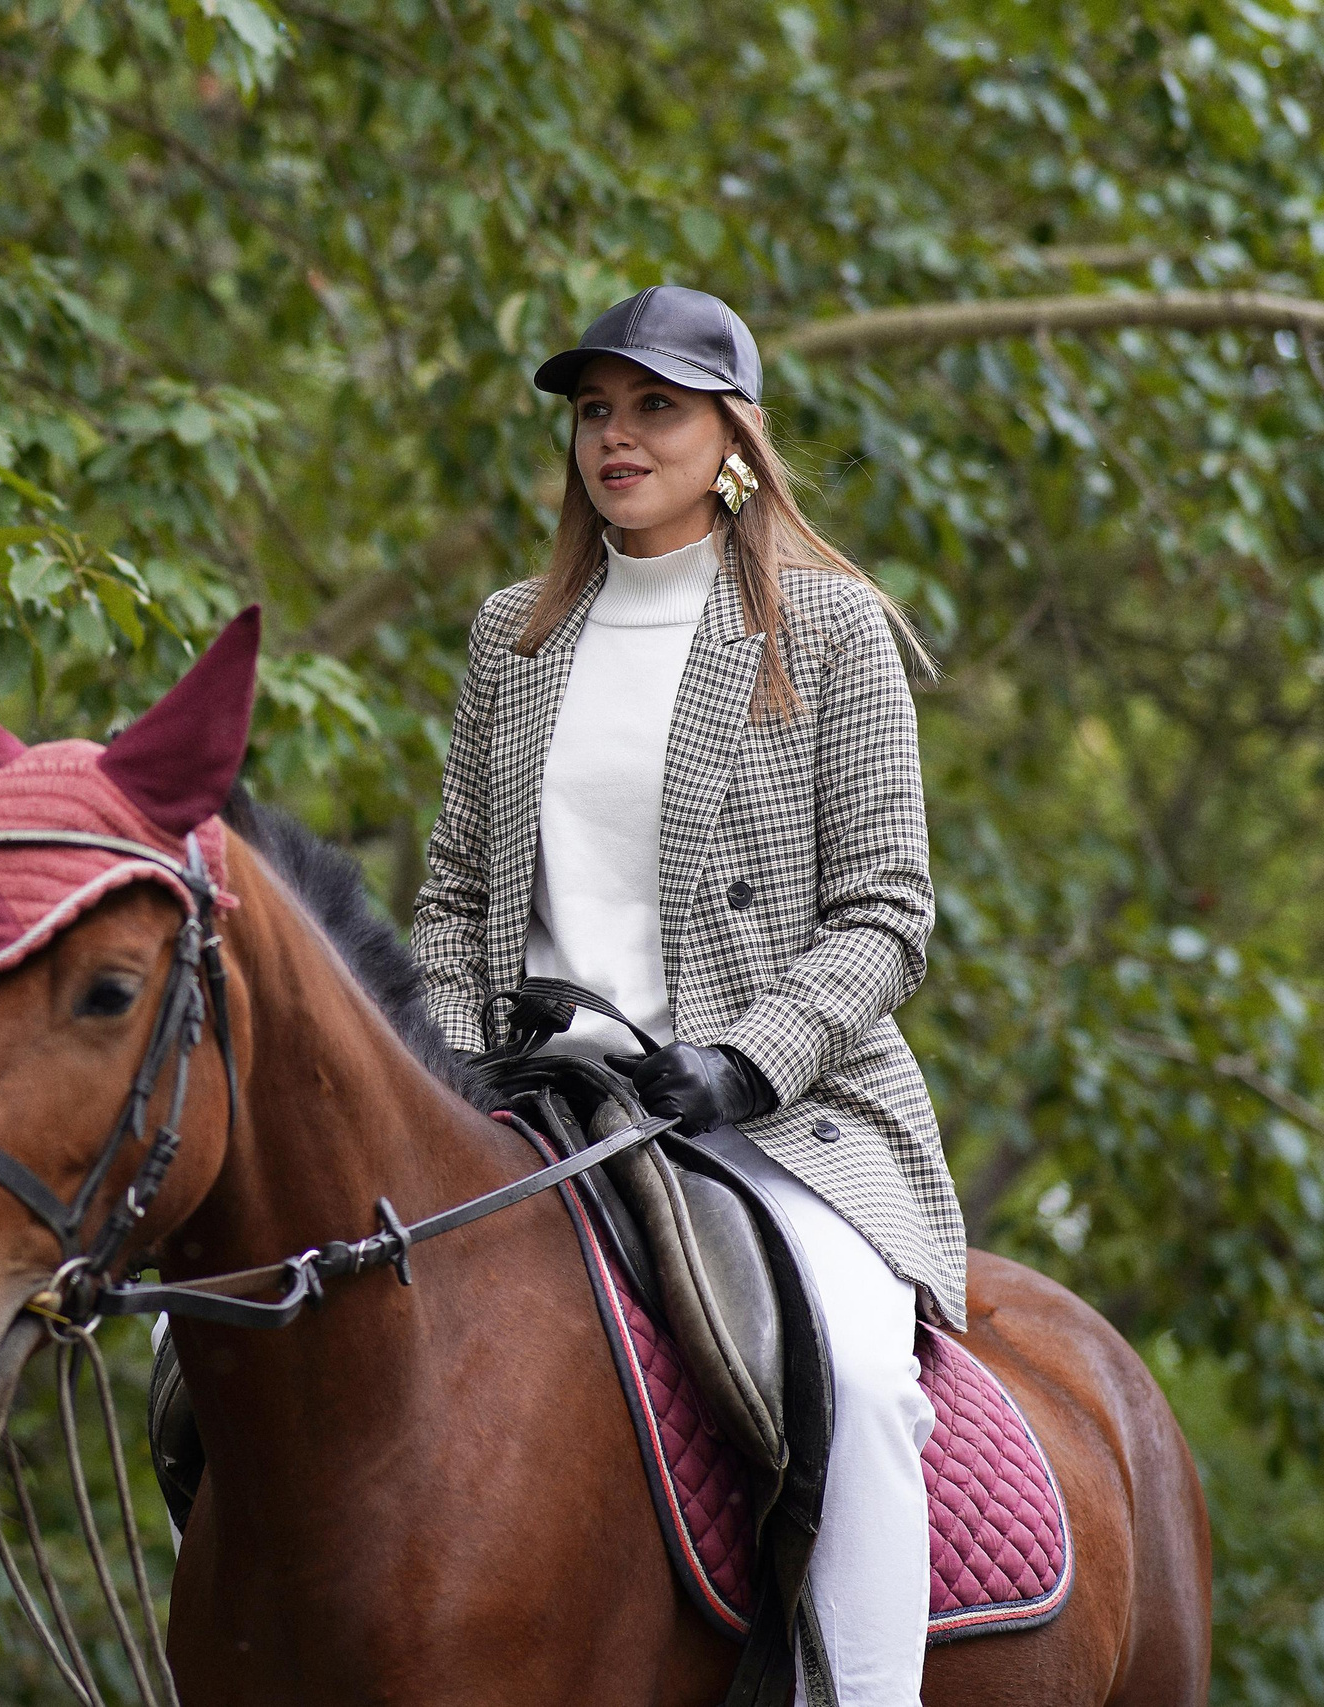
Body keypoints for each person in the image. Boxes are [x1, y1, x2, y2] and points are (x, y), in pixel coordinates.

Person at [412, 285, 969, 1705]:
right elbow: (456, 895)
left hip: (774, 1118)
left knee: (860, 1385)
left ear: (733, 434)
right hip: (533, 1109)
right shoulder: (513, 636)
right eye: (595, 410)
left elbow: (889, 913)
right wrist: (456, 1063)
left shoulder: (829, 629)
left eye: (655, 406)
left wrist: (747, 1057)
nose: (616, 436)